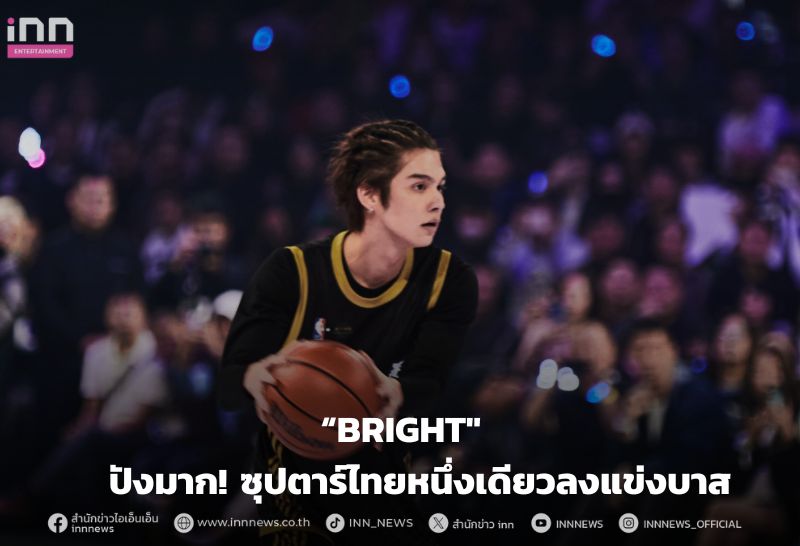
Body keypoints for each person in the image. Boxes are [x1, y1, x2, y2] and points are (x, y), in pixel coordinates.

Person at [220, 119, 478, 545]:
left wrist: (399, 391)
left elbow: (431, 380)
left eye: (440, 186)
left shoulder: (449, 280)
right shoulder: (292, 270)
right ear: (369, 194)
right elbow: (230, 383)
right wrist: (253, 376)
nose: (438, 202)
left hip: (384, 478)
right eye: (419, 186)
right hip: (293, 479)